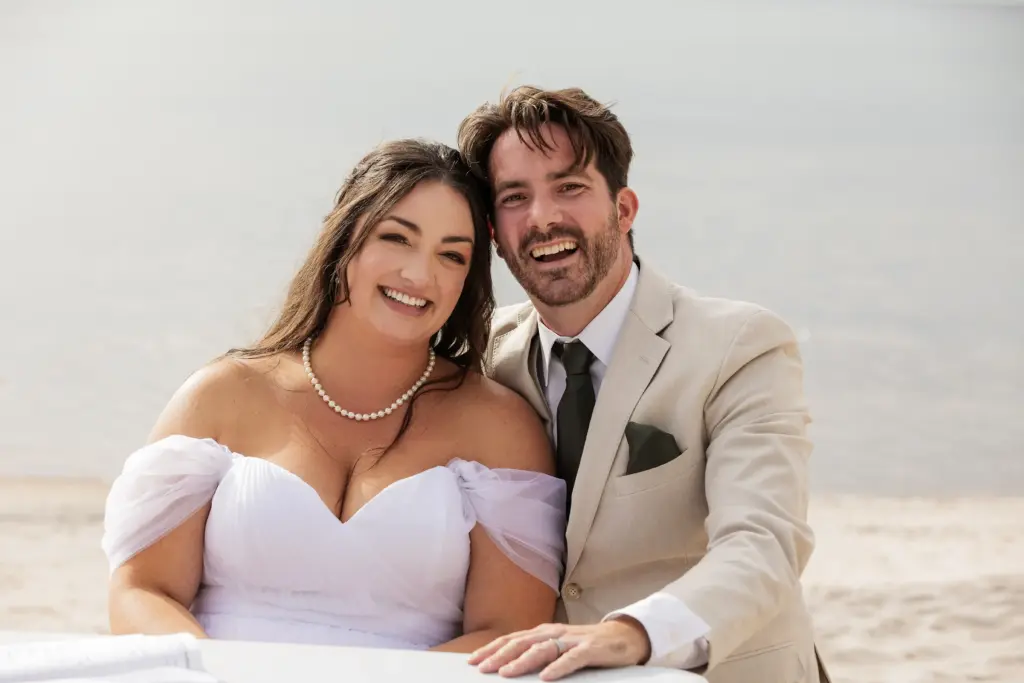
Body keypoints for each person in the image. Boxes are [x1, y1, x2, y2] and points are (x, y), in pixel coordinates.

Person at [100, 139, 567, 653]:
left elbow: (507, 632)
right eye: (396, 238)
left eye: (451, 255)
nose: (418, 275)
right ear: (346, 240)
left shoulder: (498, 426)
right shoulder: (223, 394)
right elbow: (142, 589)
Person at [456, 87, 830, 683]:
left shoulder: (742, 345)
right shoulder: (482, 359)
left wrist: (631, 633)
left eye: (569, 188)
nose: (543, 216)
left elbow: (764, 543)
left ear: (625, 209)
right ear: (494, 234)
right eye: (515, 197)